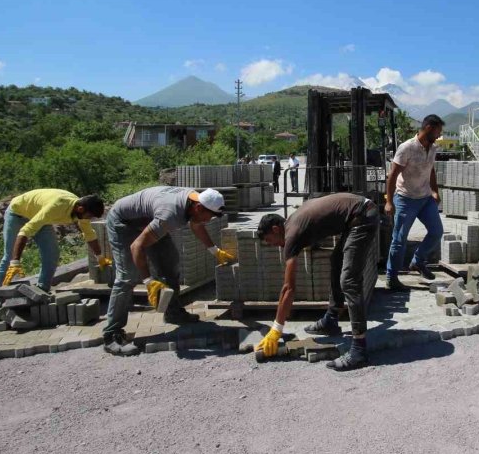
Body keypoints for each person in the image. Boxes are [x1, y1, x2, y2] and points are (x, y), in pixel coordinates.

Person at [102, 186, 234, 356]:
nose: (208, 221)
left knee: (169, 263)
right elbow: (137, 246)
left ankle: (173, 313)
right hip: (124, 223)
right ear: (198, 207)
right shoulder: (170, 214)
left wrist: (214, 251)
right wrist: (148, 281)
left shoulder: (194, 200)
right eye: (209, 216)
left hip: (150, 221)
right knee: (128, 276)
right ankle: (111, 334)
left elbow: (197, 224)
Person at [256, 193, 379, 371]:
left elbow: (288, 288)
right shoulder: (294, 222)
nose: (273, 245)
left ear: (276, 229)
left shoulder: (291, 235)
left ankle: (359, 349)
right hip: (358, 213)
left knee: (349, 281)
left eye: (270, 240)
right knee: (336, 261)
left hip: (362, 216)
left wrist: (276, 329)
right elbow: (318, 222)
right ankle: (331, 319)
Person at [0, 189, 106, 311]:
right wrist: (15, 262)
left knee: (52, 254)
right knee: (9, 257)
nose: (89, 219)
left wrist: (100, 257)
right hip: (17, 213)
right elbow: (25, 231)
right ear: (81, 209)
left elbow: (89, 234)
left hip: (41, 218)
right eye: (90, 216)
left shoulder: (81, 209)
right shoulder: (56, 206)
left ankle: (41, 292)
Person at [384, 114, 445, 291]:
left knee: (436, 231)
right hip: (405, 199)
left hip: (425, 198)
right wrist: (389, 201)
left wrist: (435, 191)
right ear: (428, 128)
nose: (439, 135)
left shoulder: (433, 148)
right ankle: (392, 277)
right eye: (438, 131)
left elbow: (431, 171)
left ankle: (417, 262)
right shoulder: (407, 148)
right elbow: (392, 176)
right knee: (399, 239)